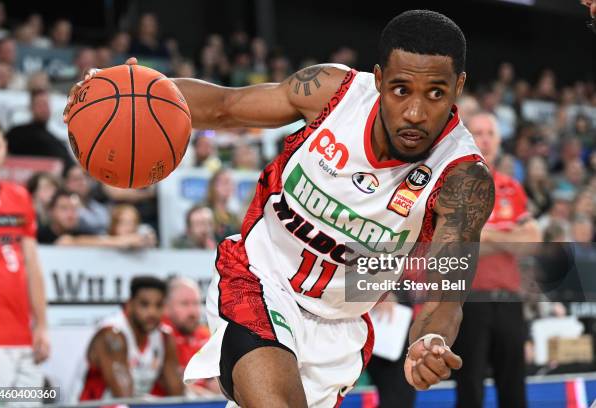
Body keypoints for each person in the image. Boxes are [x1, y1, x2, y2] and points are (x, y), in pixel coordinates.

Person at [66, 10, 495, 407]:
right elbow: (225, 107)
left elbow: (446, 294)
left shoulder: (463, 179)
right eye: (401, 90)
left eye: (436, 93)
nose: (416, 112)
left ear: (458, 87)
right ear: (379, 78)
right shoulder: (333, 92)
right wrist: (133, 89)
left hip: (339, 327)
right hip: (261, 282)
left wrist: (431, 339)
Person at [453, 112, 542, 408]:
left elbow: (533, 239)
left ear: (499, 139)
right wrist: (509, 236)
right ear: (467, 138)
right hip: (469, 301)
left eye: (490, 132)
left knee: (514, 389)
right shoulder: (454, 184)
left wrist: (487, 235)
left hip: (509, 301)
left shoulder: (511, 186)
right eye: (478, 133)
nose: (485, 139)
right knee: (470, 389)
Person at [0, 117, 50, 402]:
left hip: (24, 340)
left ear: (5, 148)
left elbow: (32, 267)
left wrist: (43, 326)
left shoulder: (20, 196)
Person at [70, 276, 183, 401]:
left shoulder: (164, 337)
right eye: (144, 305)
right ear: (129, 305)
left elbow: (177, 394)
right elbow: (124, 398)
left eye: (158, 305)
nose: (152, 312)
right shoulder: (111, 334)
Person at [162, 277, 220, 396]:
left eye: (196, 303)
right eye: (185, 304)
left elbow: (215, 383)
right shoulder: (160, 335)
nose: (192, 311)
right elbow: (177, 389)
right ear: (166, 307)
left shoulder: (205, 335)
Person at [6, 89, 75, 170]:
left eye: (46, 104)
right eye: (40, 104)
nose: (43, 109)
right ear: (31, 108)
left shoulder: (57, 143)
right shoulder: (16, 134)